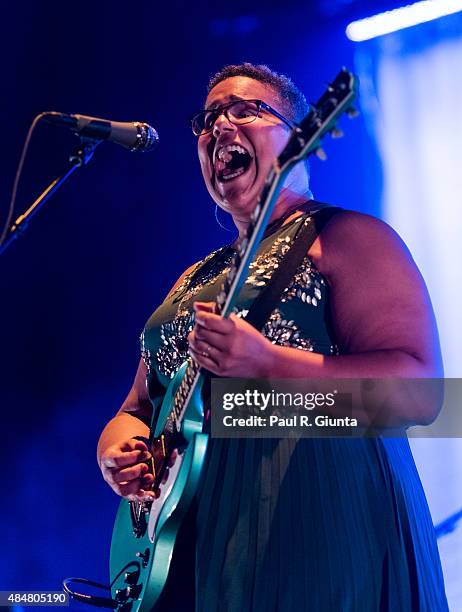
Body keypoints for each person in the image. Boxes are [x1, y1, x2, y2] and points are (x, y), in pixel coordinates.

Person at [97, 63, 448, 611]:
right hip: (195, 548)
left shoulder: (345, 238)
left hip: (319, 529)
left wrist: (269, 364)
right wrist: (115, 449)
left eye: (246, 109)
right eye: (209, 118)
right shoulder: (193, 278)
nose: (219, 126)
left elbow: (422, 396)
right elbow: (138, 407)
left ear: (301, 137)